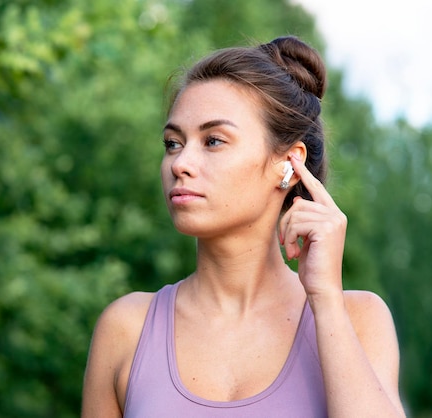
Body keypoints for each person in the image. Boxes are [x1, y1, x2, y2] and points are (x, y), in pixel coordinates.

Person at [81, 35, 406, 417]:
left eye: (213, 141)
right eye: (172, 143)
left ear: (287, 163)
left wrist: (326, 301)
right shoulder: (126, 329)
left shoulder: (358, 319)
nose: (180, 163)